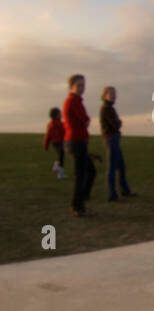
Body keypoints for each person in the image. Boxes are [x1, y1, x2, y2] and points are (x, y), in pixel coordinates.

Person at [62, 74, 100, 217]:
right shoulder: (73, 101)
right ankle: (78, 207)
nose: (81, 88)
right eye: (78, 85)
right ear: (71, 87)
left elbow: (85, 120)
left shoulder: (75, 100)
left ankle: (81, 202)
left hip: (77, 142)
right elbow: (85, 119)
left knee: (90, 172)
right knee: (82, 175)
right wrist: (86, 121)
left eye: (83, 85)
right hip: (76, 142)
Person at [99, 85, 134, 201]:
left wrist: (118, 122)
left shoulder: (110, 108)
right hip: (111, 139)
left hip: (114, 139)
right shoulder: (106, 109)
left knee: (121, 167)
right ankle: (112, 194)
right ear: (105, 96)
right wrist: (119, 122)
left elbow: (116, 123)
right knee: (112, 168)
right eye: (111, 94)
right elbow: (116, 124)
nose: (114, 96)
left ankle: (124, 190)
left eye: (115, 94)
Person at [43, 107, 65, 179]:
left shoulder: (60, 123)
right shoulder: (52, 124)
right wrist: (46, 145)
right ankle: (59, 173)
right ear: (55, 115)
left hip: (61, 141)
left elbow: (64, 132)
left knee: (61, 155)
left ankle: (56, 168)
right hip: (56, 142)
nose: (61, 115)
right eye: (59, 113)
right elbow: (48, 135)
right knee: (61, 154)